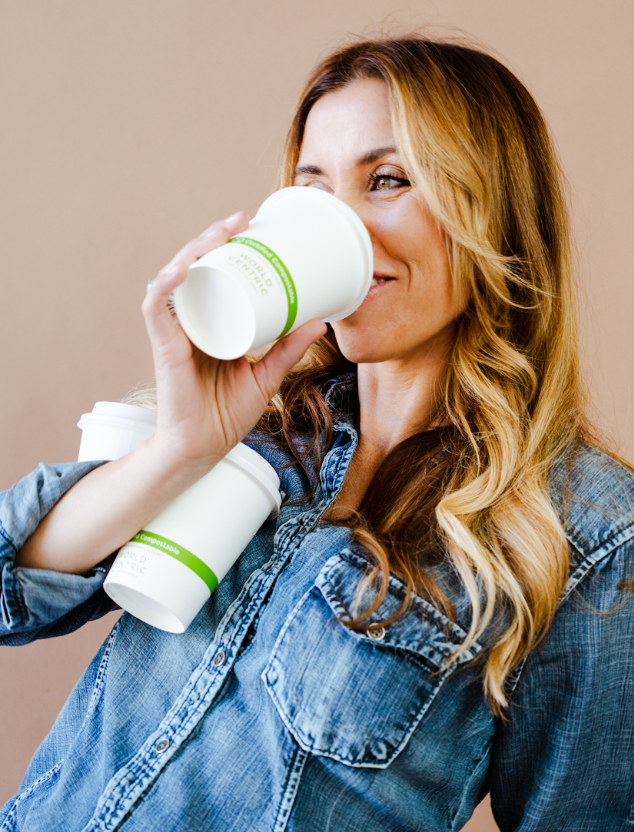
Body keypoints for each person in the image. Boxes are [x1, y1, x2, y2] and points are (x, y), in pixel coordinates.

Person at [1, 35, 633, 832]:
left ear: (494, 215)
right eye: (314, 189)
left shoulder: (582, 533)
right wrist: (179, 451)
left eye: (388, 180)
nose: (344, 227)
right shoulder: (256, 423)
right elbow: (9, 592)